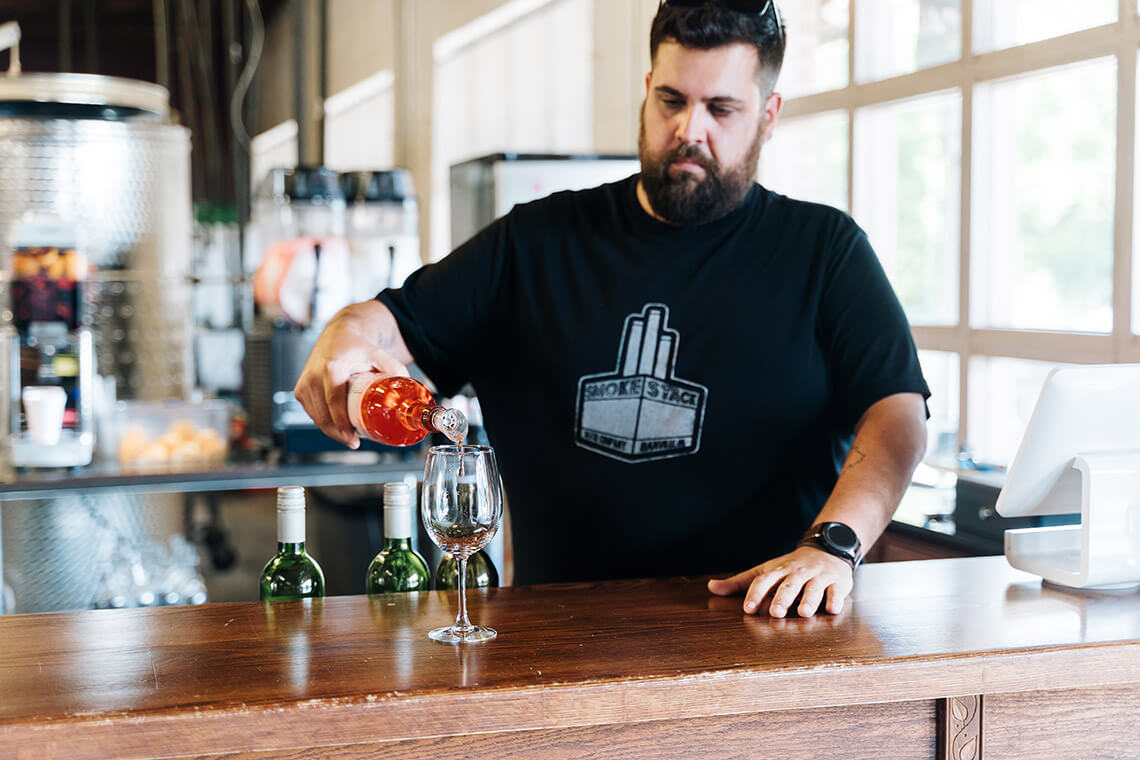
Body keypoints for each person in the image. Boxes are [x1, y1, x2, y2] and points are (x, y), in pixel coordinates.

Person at [294, 0, 930, 618]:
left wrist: (833, 547)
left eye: (721, 109)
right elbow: (388, 323)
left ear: (768, 115)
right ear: (647, 91)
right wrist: (344, 334)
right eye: (672, 101)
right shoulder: (535, 244)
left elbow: (898, 412)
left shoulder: (824, 250)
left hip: (763, 631)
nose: (690, 130)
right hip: (557, 646)